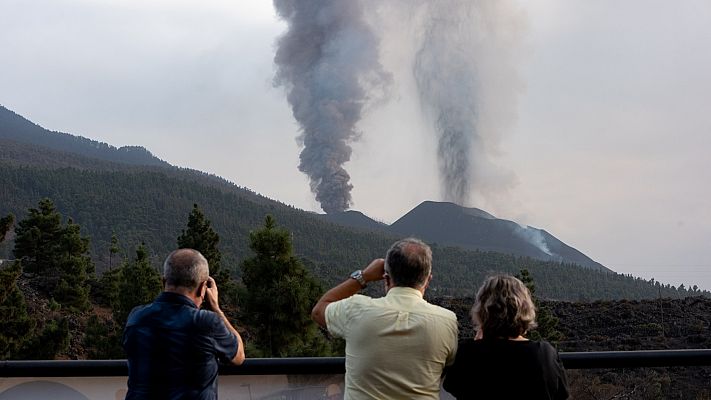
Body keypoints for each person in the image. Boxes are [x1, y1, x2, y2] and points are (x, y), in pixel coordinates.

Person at [312, 238, 459, 400]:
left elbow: (319, 311)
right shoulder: (447, 321)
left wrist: (364, 276)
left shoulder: (355, 309)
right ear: (428, 280)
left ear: (386, 278)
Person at [123, 248, 245, 400]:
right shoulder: (206, 323)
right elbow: (239, 356)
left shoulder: (136, 318)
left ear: (164, 282)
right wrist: (216, 308)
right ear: (202, 288)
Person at [443, 275, 569, 399]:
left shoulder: (467, 353)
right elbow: (561, 393)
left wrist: (477, 344)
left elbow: (452, 386)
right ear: (525, 309)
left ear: (482, 311)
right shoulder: (544, 354)